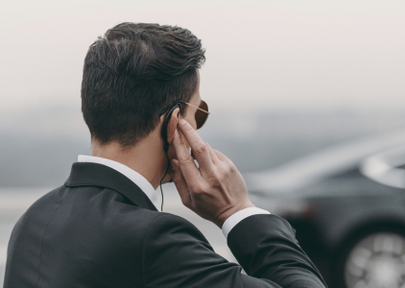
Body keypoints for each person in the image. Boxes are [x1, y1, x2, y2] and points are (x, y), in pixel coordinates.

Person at [3, 22, 327, 288]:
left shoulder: (34, 221)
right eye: (199, 114)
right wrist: (236, 210)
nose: (199, 126)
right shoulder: (153, 240)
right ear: (174, 123)